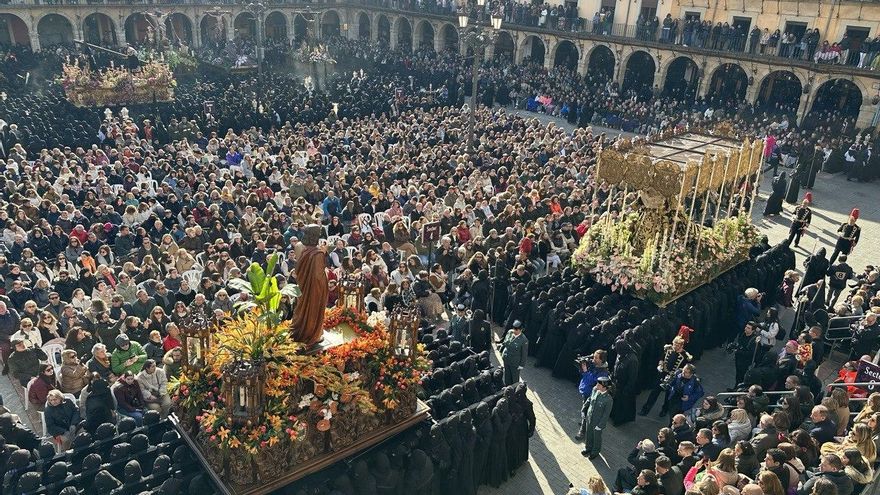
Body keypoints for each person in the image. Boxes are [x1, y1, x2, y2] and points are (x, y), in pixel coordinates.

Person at [641, 335, 692, 417]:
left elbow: (683, 369)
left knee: (668, 396)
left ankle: (664, 410)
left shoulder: (685, 356)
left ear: (682, 346)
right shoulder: (668, 349)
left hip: (672, 378)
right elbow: (662, 358)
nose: (675, 346)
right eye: (674, 344)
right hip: (662, 374)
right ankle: (646, 409)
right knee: (654, 392)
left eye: (678, 345)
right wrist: (660, 364)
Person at [576, 349, 609, 440]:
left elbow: (593, 382)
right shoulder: (593, 365)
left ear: (601, 360)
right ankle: (584, 422)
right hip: (585, 390)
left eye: (596, 357)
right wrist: (581, 367)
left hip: (591, 394)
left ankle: (582, 431)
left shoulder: (603, 373)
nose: (593, 359)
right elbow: (584, 375)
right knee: (585, 409)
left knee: (585, 410)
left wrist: (586, 371)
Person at [580, 376, 613, 460]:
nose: (597, 385)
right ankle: (588, 448)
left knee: (596, 437)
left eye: (599, 384)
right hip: (589, 417)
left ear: (604, 387)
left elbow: (606, 415)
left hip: (597, 422)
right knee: (589, 434)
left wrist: (600, 425)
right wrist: (584, 409)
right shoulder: (595, 390)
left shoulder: (608, 400)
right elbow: (590, 400)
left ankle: (595, 452)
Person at [499, 320, 528, 385]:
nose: (514, 331)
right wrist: (501, 350)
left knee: (514, 379)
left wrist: (521, 365)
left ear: (521, 330)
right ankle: (507, 390)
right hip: (506, 359)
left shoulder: (524, 340)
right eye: (514, 329)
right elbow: (505, 342)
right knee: (507, 377)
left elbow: (524, 354)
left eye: (516, 330)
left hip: (515, 363)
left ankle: (514, 392)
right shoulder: (510, 332)